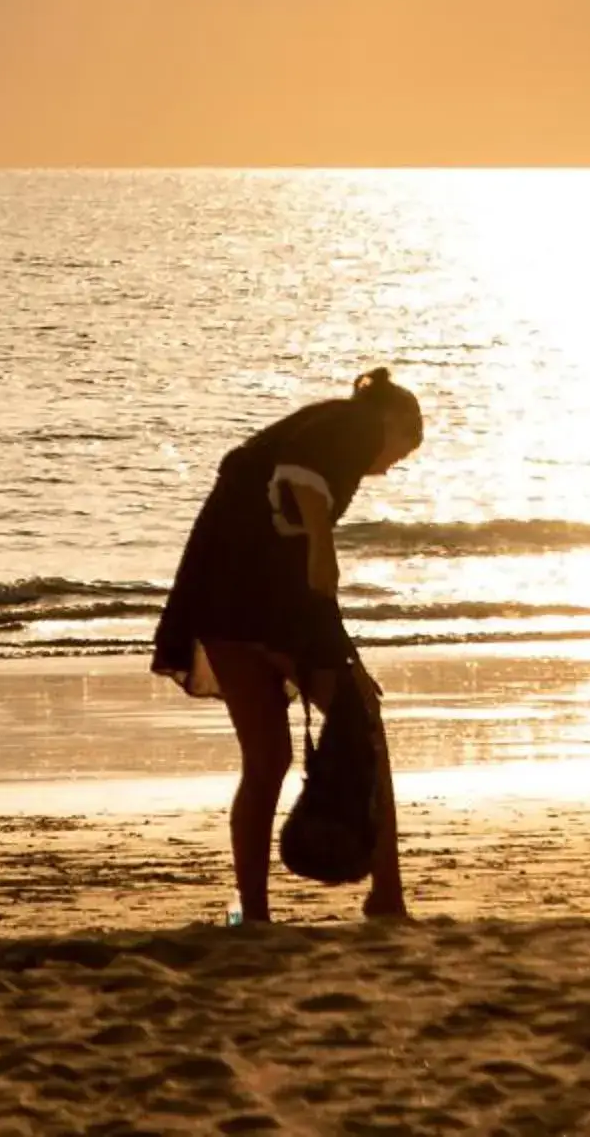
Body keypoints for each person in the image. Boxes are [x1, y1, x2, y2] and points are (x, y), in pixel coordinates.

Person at [150, 367, 424, 922]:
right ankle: (387, 896)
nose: (390, 465)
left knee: (268, 758)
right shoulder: (359, 423)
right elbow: (301, 473)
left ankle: (253, 912)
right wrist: (325, 547)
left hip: (218, 593)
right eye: (402, 451)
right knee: (366, 727)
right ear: (396, 424)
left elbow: (287, 474)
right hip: (273, 600)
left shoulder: (321, 419)